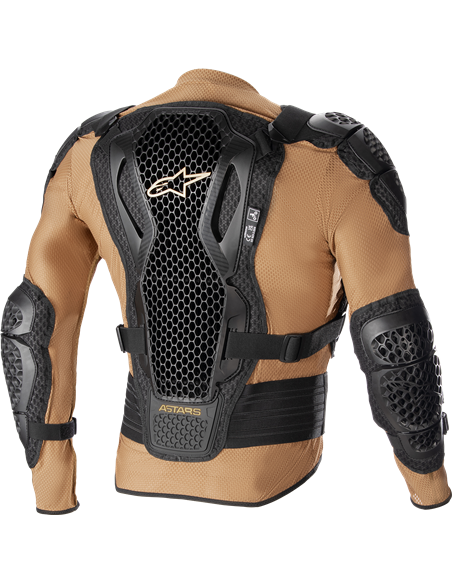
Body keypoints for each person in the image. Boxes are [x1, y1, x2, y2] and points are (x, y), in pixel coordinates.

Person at [1, 68, 449, 513]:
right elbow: (393, 338)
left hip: (140, 466)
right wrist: (429, 487)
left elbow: (32, 324)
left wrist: (53, 492)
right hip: (271, 474)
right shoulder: (334, 159)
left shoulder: (88, 151)